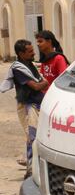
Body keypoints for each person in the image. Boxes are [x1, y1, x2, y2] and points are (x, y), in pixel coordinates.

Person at [3, 40, 48, 177]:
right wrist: (42, 83)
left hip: (37, 104)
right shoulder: (18, 68)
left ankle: (35, 167)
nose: (34, 52)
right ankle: (31, 170)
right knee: (32, 137)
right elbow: (37, 86)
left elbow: (42, 83)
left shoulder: (30, 65)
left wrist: (42, 83)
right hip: (28, 106)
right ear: (21, 53)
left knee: (38, 137)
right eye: (30, 51)